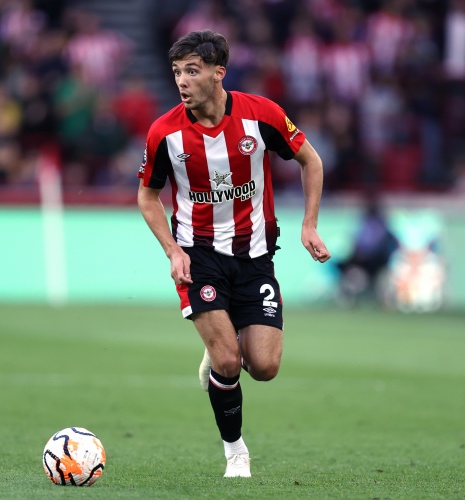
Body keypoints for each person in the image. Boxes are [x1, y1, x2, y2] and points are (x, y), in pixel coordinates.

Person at [136, 30, 331, 478]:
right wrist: (172, 251)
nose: (182, 81)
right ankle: (236, 453)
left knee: (264, 367)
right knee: (229, 362)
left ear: (218, 73)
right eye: (176, 72)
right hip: (198, 255)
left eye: (192, 71)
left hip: (255, 255)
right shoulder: (165, 132)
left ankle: (224, 340)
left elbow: (312, 161)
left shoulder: (262, 115)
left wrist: (309, 224)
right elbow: (147, 196)